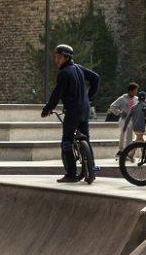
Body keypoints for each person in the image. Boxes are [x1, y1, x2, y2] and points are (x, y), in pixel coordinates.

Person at [39, 43, 100, 183]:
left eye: (59, 57)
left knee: (66, 141)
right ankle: (92, 169)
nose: (56, 60)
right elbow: (96, 78)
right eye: (56, 57)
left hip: (73, 111)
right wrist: (89, 97)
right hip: (85, 109)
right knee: (86, 139)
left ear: (66, 58)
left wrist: (47, 108)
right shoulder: (78, 68)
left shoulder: (64, 73)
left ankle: (71, 173)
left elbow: (57, 93)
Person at [107, 82, 141, 151]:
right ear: (130, 90)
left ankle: (128, 150)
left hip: (132, 120)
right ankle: (121, 149)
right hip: (124, 120)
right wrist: (119, 112)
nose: (136, 92)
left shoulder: (137, 99)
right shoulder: (122, 98)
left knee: (130, 135)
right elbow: (112, 106)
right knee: (124, 132)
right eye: (135, 90)